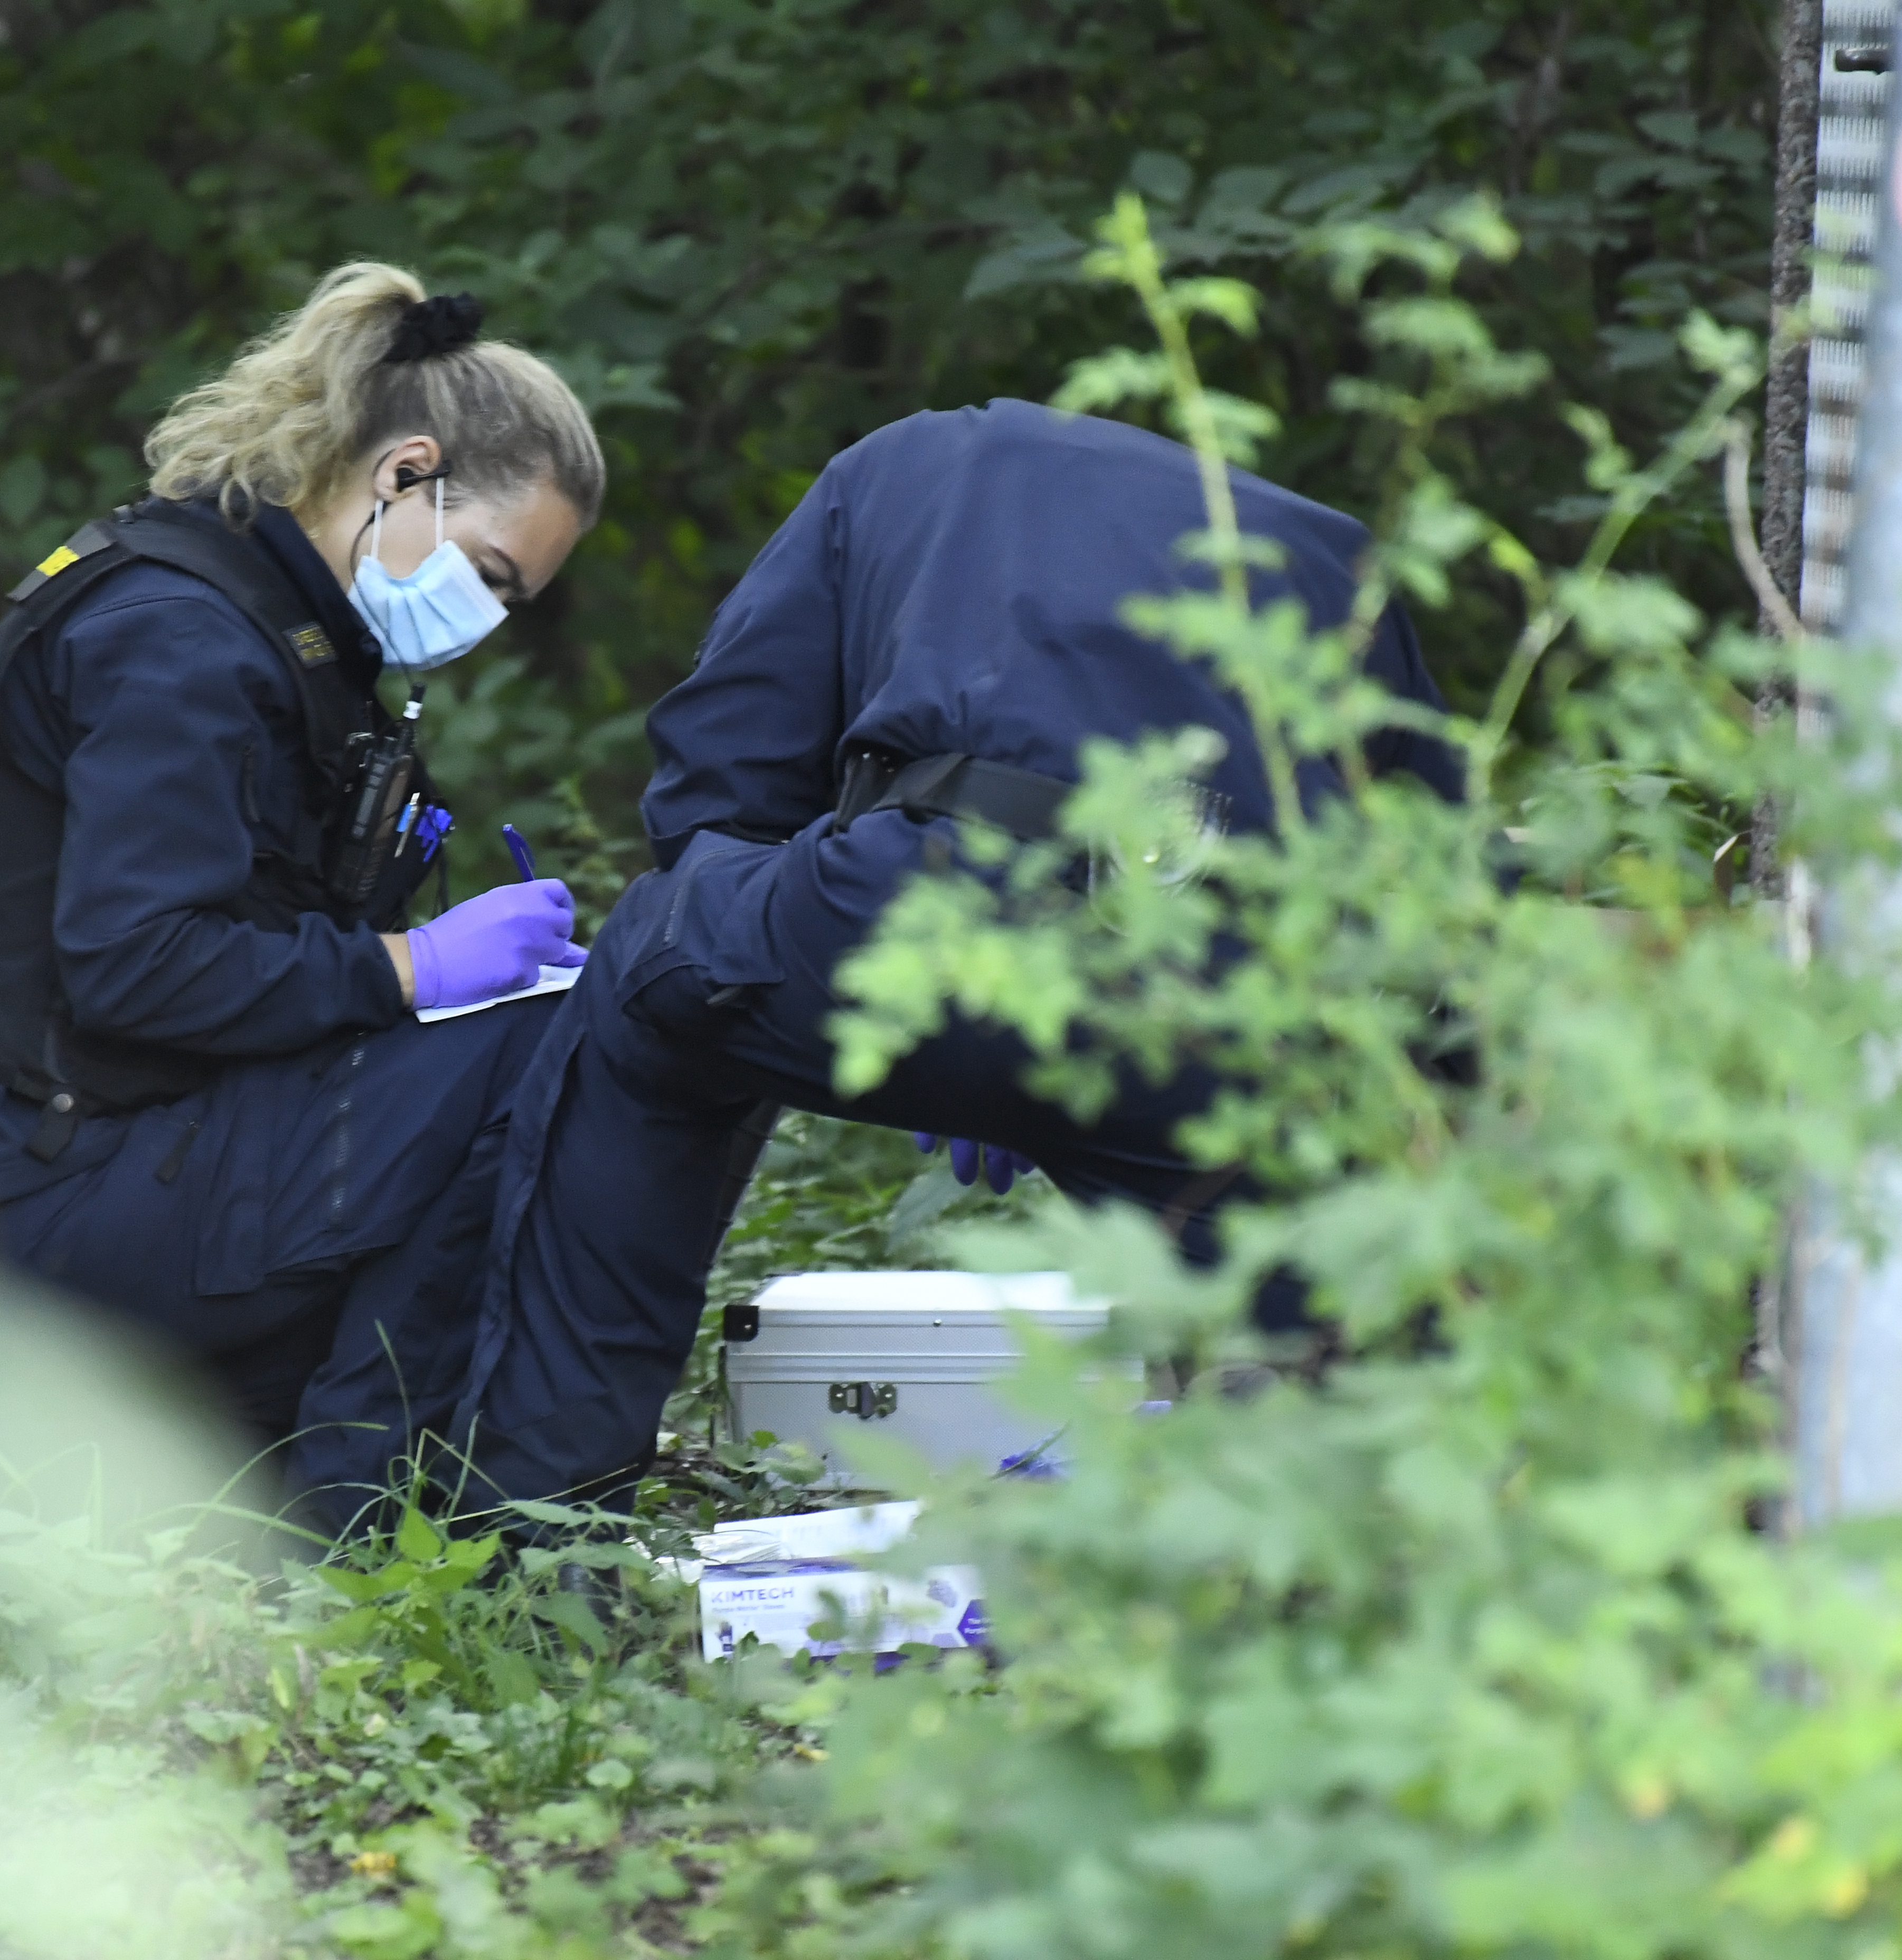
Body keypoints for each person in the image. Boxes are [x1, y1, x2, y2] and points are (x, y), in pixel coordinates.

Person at [447, 400, 1465, 1513]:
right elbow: (1442, 919)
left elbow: (720, 792)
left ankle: (545, 1526)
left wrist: (913, 1004)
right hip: (1217, 988)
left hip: (942, 887)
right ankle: (1315, 1539)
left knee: (654, 971)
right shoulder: (1332, 551)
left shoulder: (901, 463)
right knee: (1282, 1270)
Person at [0, 263, 601, 1526]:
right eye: (493, 574)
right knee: (538, 1043)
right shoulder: (182, 634)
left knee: (535, 1026)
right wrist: (415, 969)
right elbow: (138, 966)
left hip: (136, 1157)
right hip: (44, 1197)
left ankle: (320, 1462)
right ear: (405, 472)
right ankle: (350, 1520)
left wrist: (426, 977)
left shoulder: (281, 627)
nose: (490, 618)